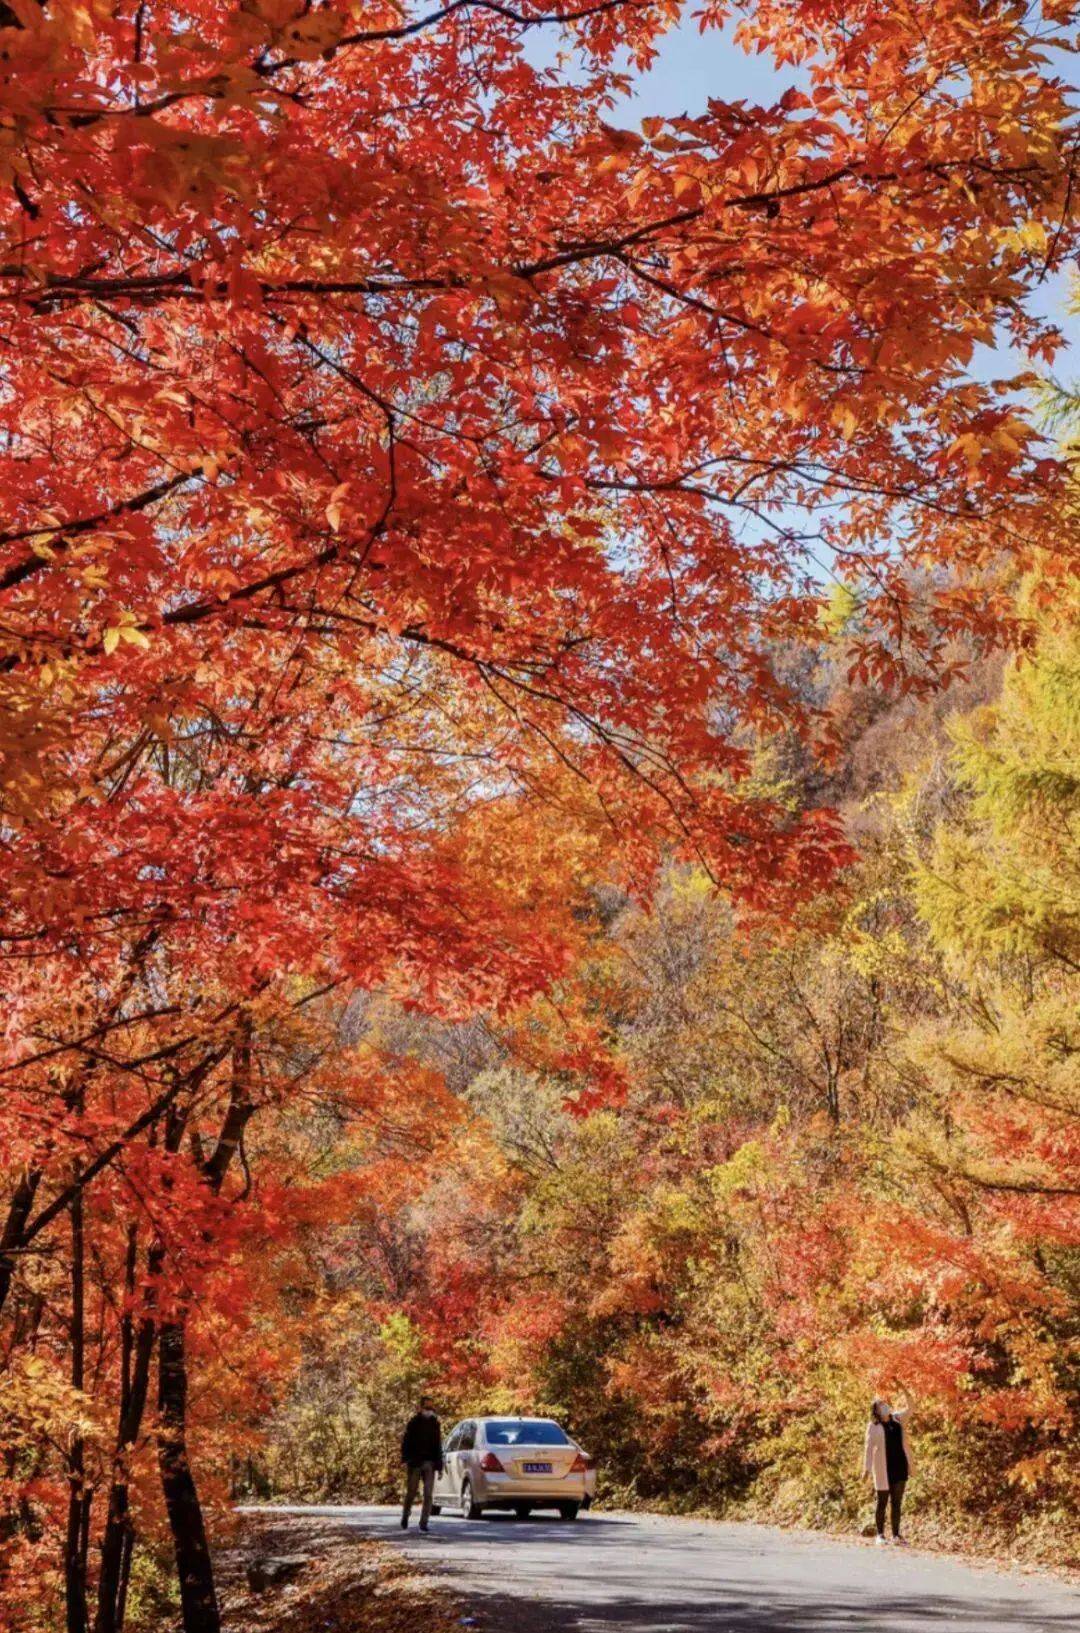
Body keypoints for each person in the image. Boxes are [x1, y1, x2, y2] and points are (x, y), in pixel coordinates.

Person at [863, 1386, 914, 1547]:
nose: (884, 1406)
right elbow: (869, 1447)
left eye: (884, 1404)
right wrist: (866, 1469)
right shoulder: (873, 1426)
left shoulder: (897, 1419)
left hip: (899, 1465)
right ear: (876, 1411)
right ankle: (880, 1534)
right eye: (880, 1405)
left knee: (897, 1503)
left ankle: (896, 1535)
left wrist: (905, 1390)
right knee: (882, 1501)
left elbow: (911, 1408)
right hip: (882, 1468)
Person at [400, 1397, 443, 1532]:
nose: (429, 1411)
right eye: (426, 1408)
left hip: (430, 1463)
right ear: (420, 1408)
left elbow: (438, 1445)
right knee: (411, 1492)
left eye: (431, 1408)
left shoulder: (435, 1423)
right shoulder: (413, 1423)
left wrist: (439, 1465)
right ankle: (405, 1515)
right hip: (415, 1463)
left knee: (428, 1494)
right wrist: (406, 1459)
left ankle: (424, 1522)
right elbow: (406, 1442)